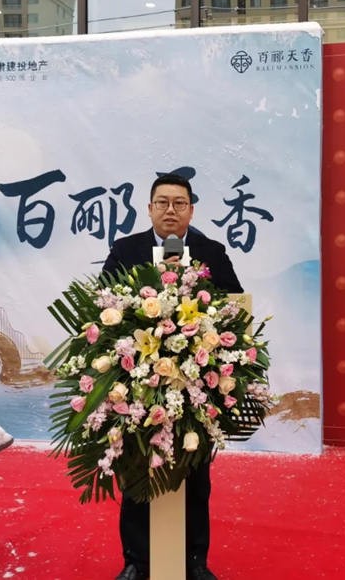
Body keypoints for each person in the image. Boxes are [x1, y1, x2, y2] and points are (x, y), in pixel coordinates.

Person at [103, 174, 242, 580]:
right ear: (149, 209)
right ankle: (136, 561)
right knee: (136, 470)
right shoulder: (126, 250)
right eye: (162, 202)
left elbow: (235, 306)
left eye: (179, 203)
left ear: (191, 210)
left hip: (195, 383)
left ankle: (195, 561)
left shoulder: (211, 252)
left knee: (195, 475)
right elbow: (102, 303)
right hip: (137, 384)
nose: (170, 211)